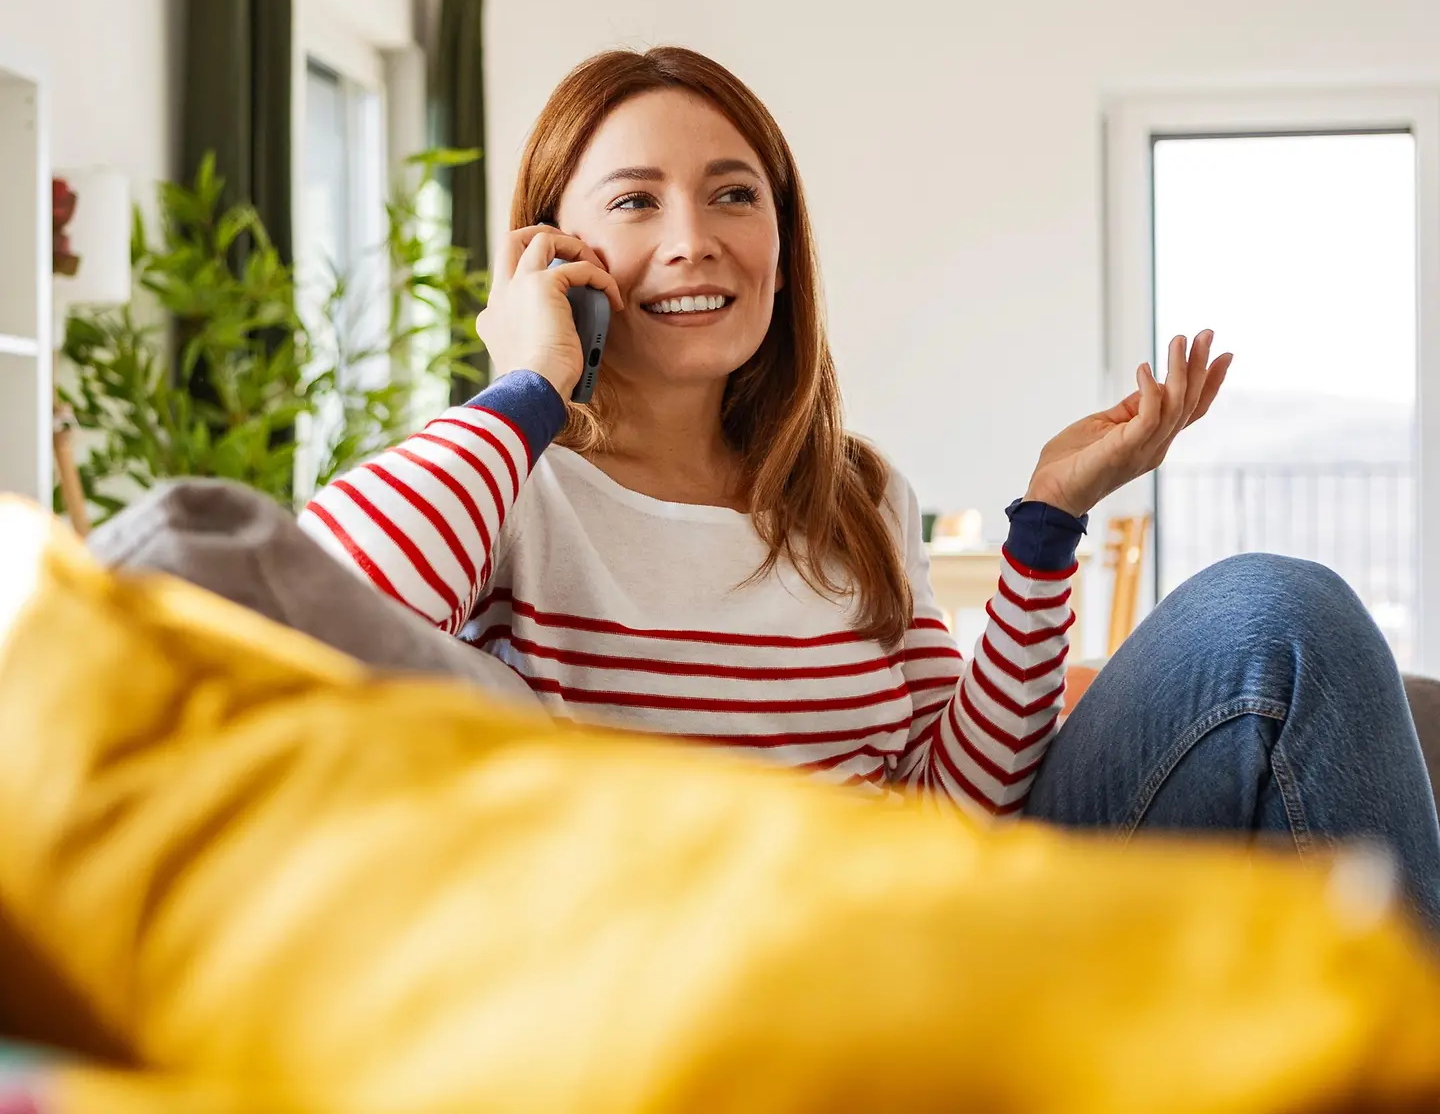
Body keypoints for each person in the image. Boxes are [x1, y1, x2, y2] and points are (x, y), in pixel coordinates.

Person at [301, 46, 1440, 930]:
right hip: (708, 969)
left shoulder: (852, 493)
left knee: (1281, 619)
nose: (694, 240)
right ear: (556, 255)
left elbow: (960, 800)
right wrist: (527, 387)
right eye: (637, 202)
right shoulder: (512, 480)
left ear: (784, 244)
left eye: (734, 195)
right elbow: (306, 614)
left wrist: (1046, 527)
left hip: (933, 928)